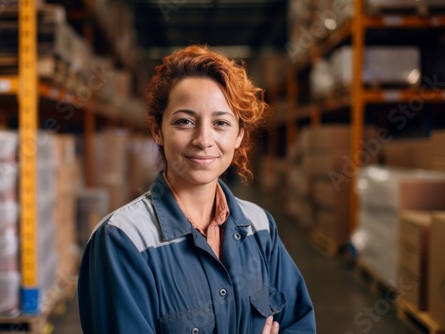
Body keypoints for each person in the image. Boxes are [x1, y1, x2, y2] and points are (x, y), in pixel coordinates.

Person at [78, 45, 316, 333]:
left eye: (221, 123)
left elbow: (299, 323)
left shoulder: (260, 227)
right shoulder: (123, 239)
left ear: (239, 135)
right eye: (185, 121)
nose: (204, 139)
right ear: (157, 130)